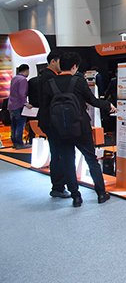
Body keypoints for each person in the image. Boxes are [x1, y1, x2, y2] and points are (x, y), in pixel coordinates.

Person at [41, 52, 117, 207]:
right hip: (81, 128)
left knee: (68, 162)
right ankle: (101, 194)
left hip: (60, 130)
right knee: (91, 160)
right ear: (74, 66)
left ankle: (76, 197)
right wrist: (108, 105)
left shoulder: (50, 84)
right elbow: (93, 101)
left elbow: (46, 109)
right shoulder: (78, 81)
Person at [37, 52, 70, 198]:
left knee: (57, 153)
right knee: (58, 153)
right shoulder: (49, 77)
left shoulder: (45, 76)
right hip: (52, 121)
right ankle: (58, 186)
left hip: (49, 120)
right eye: (59, 61)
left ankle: (58, 186)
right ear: (53, 61)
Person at [8, 64, 33, 149]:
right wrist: (26, 103)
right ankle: (19, 143)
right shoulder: (23, 80)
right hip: (18, 105)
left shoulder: (14, 78)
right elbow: (22, 94)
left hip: (11, 105)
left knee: (13, 125)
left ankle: (15, 143)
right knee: (20, 125)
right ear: (26, 71)